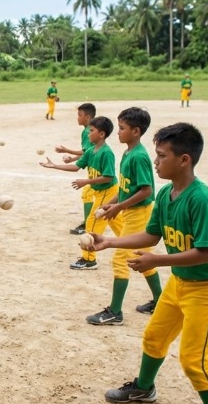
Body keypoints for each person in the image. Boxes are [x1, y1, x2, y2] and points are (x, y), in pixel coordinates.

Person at [90, 122, 208, 404]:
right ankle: (144, 388)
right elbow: (151, 235)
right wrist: (110, 242)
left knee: (194, 358)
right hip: (180, 282)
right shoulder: (166, 194)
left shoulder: (201, 199)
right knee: (154, 337)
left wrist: (157, 261)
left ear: (184, 160)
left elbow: (207, 253)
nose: (155, 162)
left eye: (161, 156)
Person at [88, 107, 162, 324]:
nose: (118, 132)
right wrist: (111, 204)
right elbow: (125, 187)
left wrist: (119, 207)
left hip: (139, 213)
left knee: (120, 259)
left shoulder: (138, 156)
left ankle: (115, 312)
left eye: (122, 128)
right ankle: (160, 300)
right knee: (142, 255)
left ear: (136, 131)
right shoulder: (128, 153)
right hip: (132, 212)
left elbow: (146, 191)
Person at [40, 116, 117, 270]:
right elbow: (76, 167)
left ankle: (89, 260)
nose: (88, 133)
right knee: (117, 222)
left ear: (102, 134)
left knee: (92, 223)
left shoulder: (106, 153)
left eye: (92, 130)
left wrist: (86, 182)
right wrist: (54, 166)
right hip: (101, 192)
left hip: (108, 192)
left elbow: (108, 177)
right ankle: (133, 244)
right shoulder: (91, 150)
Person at [53, 103, 97, 235]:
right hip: (93, 168)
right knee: (90, 194)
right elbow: (87, 152)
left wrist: (66, 150)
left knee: (88, 193)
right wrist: (72, 159)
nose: (78, 118)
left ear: (88, 117)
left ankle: (88, 225)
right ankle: (90, 222)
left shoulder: (88, 131)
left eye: (80, 115)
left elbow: (87, 152)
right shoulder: (90, 130)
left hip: (96, 169)